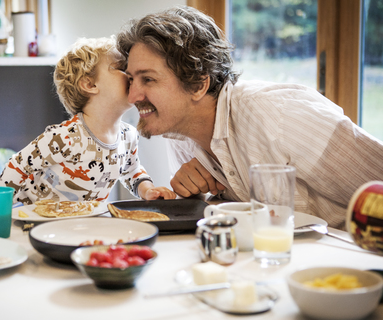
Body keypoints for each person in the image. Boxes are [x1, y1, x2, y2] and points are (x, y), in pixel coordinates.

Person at [116, 6, 383, 229]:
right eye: (131, 80)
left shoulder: (280, 115)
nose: (132, 96)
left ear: (198, 85)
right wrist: (194, 197)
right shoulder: (179, 133)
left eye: (148, 79)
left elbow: (377, 179)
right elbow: (239, 219)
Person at [0, 37, 175, 204]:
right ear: (90, 85)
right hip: (37, 220)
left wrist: (148, 190)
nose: (130, 74)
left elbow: (132, 171)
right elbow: (19, 165)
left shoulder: (129, 136)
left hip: (82, 224)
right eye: (122, 68)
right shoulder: (64, 137)